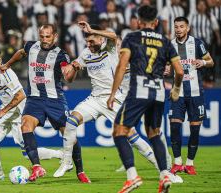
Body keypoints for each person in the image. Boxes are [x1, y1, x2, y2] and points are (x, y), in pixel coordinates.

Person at [54, 21, 161, 183]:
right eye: (87, 41)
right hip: (95, 99)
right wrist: (72, 68)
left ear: (100, 40)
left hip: (114, 99)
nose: (89, 44)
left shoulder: (109, 49)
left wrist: (92, 29)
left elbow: (113, 36)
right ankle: (67, 161)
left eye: (92, 41)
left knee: (131, 136)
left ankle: (162, 169)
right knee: (71, 120)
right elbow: (69, 79)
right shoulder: (85, 54)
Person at [107, 5, 184, 193]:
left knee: (119, 131)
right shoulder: (166, 42)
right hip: (158, 92)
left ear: (139, 22)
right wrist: (175, 88)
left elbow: (121, 66)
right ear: (156, 22)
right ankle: (165, 173)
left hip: (139, 90)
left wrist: (112, 93)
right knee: (154, 133)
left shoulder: (132, 38)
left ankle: (132, 177)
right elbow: (179, 71)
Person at [0, 46, 64, 181]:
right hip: (6, 113)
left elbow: (21, 95)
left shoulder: (7, 73)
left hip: (20, 113)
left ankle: (61, 155)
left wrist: (2, 111)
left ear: (1, 60)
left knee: (28, 155)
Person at [0, 24, 77, 182]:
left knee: (68, 134)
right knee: (25, 127)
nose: (44, 40)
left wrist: (72, 71)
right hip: (34, 98)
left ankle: (77, 168)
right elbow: (21, 52)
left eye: (48, 36)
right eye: (42, 36)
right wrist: (7, 64)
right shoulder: (31, 46)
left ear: (54, 36)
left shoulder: (61, 55)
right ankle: (37, 167)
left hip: (54, 99)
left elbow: (67, 76)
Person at [169, 16, 214, 175]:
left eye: (181, 26)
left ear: (187, 28)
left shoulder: (197, 43)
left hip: (195, 93)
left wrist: (203, 63)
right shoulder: (170, 45)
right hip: (178, 93)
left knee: (195, 129)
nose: (179, 29)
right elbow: (167, 67)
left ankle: (189, 163)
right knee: (174, 126)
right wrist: (166, 70)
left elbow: (210, 61)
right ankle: (177, 162)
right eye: (176, 27)